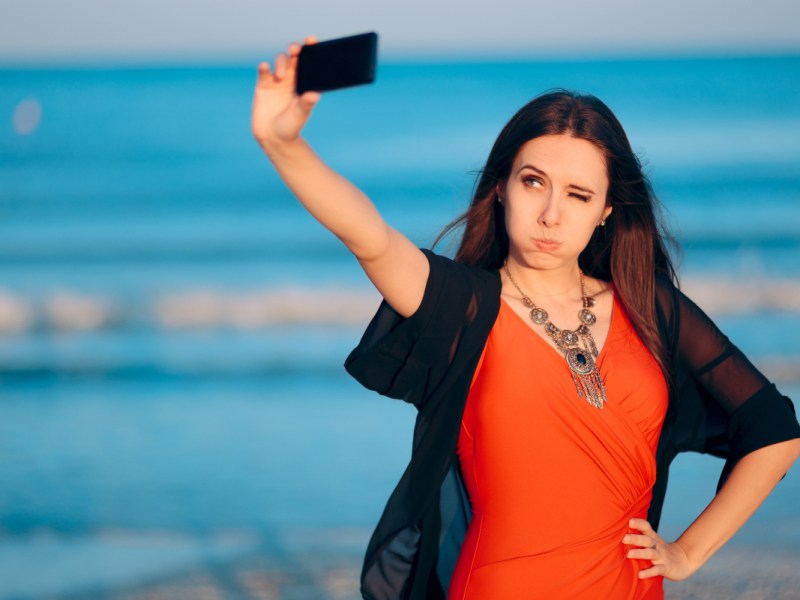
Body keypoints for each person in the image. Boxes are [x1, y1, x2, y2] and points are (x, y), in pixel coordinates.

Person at [251, 38, 800, 600]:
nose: (551, 214)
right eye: (533, 182)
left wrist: (687, 551)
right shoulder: (465, 306)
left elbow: (775, 430)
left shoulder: (650, 307)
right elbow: (370, 238)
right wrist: (283, 144)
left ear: (606, 212)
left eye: (579, 195)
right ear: (502, 188)